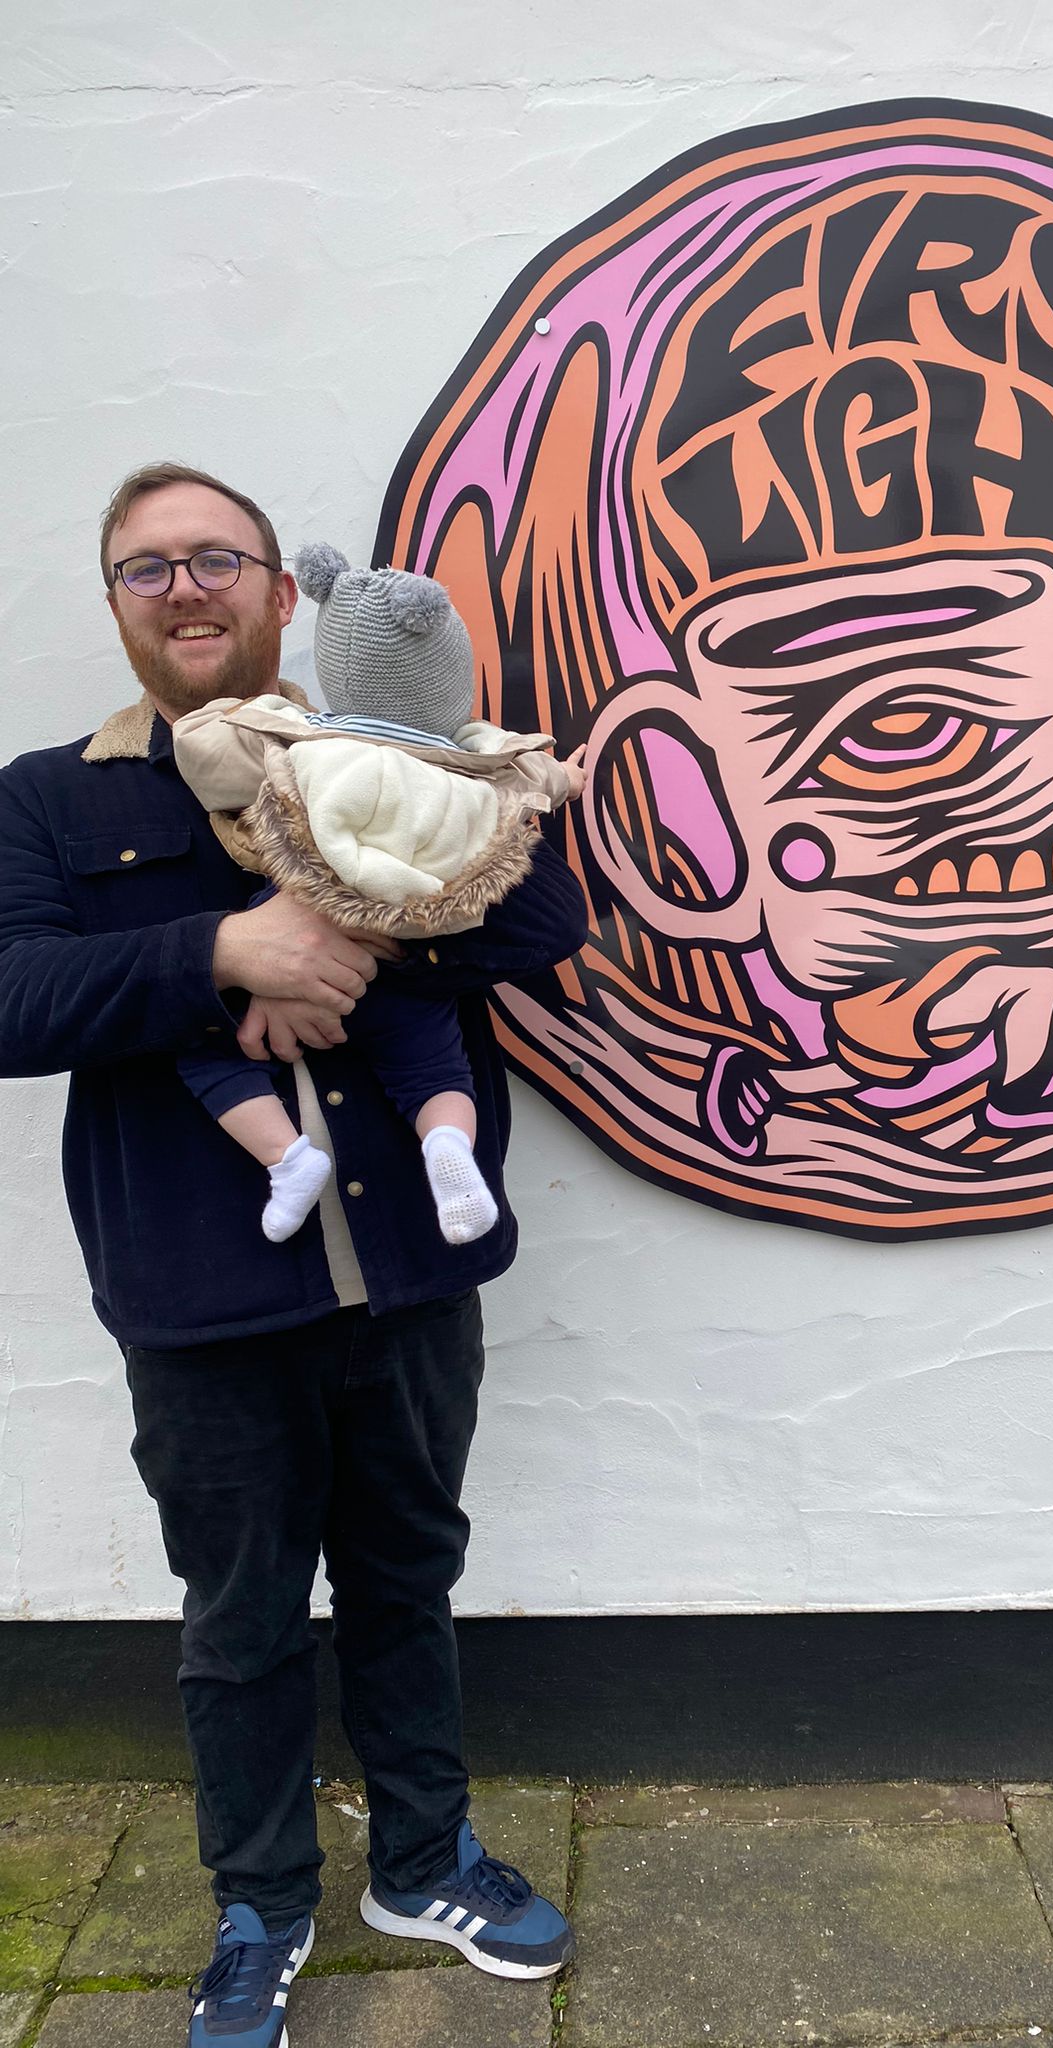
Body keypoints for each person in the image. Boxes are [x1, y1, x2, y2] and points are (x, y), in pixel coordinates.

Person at [0, 462, 587, 2048]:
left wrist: (359, 915)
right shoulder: (53, 798)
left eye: (216, 559)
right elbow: (11, 1002)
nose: (184, 589)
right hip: (203, 1299)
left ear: (278, 589)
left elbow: (542, 929)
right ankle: (261, 1905)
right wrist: (216, 952)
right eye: (145, 570)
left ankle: (420, 1860)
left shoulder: (404, 764)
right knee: (242, 1619)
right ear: (114, 604)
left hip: (409, 1278)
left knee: (408, 1578)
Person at [169, 542, 587, 1248]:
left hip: (302, 919)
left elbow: (206, 752)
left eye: (216, 561)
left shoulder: (303, 739)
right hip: (420, 955)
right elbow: (536, 779)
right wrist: (569, 779)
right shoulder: (476, 760)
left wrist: (267, 956)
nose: (186, 588)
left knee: (207, 1050)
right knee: (433, 1069)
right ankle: (447, 1149)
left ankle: (287, 1158)